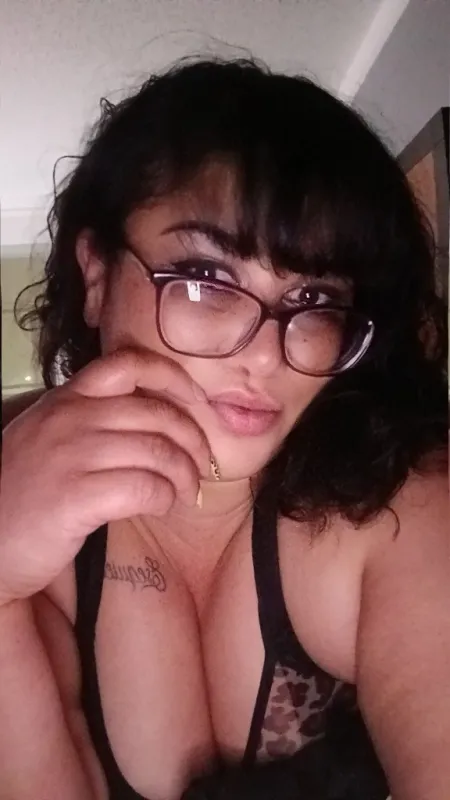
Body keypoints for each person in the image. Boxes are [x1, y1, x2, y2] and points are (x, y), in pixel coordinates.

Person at [0, 56, 448, 800]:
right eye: (207, 279)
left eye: (314, 299)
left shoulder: (399, 505)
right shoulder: (25, 502)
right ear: (97, 275)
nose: (266, 355)